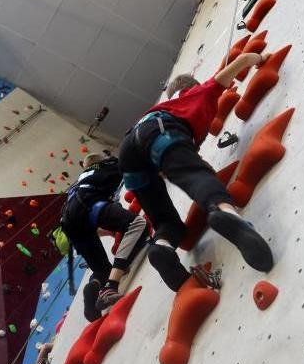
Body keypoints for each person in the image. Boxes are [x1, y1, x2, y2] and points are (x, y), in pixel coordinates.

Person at [118, 52, 274, 292]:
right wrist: (261, 57)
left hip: (129, 153)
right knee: (198, 176)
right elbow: (242, 61)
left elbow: (172, 162)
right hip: (160, 131)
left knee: (166, 222)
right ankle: (227, 214)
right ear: (194, 86)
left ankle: (161, 245)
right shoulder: (201, 92)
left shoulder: (170, 104)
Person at [61, 153, 149, 319]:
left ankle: (94, 289)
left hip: (69, 221)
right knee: (137, 225)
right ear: (99, 161)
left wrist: (108, 231)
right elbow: (129, 164)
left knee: (102, 270)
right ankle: (111, 286)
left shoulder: (79, 182)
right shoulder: (103, 166)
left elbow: (82, 220)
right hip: (90, 204)